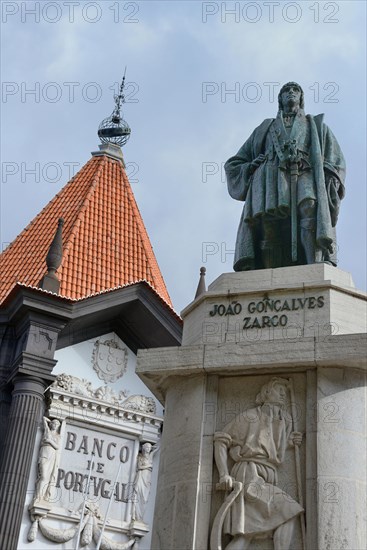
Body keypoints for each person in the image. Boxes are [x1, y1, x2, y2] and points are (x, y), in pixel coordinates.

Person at [225, 82, 345, 270]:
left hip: (305, 172)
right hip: (269, 179)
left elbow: (335, 160)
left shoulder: (315, 125)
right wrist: (250, 167)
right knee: (268, 223)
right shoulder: (265, 127)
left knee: (309, 205)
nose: (290, 93)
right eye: (286, 91)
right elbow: (234, 163)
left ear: (301, 98)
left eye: (295, 90)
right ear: (280, 99)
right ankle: (266, 274)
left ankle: (315, 264)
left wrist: (330, 178)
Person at [213, 378, 303, 550]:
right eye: (278, 389)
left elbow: (270, 445)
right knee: (289, 510)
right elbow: (221, 440)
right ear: (266, 393)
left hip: (268, 475)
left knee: (246, 535)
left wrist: (289, 442)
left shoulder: (285, 420)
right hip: (250, 475)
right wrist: (224, 473)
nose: (283, 393)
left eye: (285, 390)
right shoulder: (250, 417)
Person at [34, 418, 61, 502]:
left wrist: (49, 441)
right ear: (51, 424)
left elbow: (57, 446)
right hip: (44, 455)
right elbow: (43, 419)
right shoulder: (47, 431)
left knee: (47, 478)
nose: (55, 426)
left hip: (51, 456)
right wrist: (49, 421)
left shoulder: (57, 436)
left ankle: (41, 497)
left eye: (57, 425)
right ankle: (38, 496)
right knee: (43, 476)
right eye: (53, 423)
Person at [131, 442, 159, 521]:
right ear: (143, 448)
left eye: (149, 448)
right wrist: (149, 466)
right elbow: (139, 466)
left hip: (147, 479)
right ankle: (136, 515)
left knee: (144, 498)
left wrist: (152, 447)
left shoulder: (150, 456)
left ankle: (140, 517)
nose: (148, 449)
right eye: (147, 447)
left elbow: (157, 448)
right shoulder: (140, 457)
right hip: (141, 477)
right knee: (139, 494)